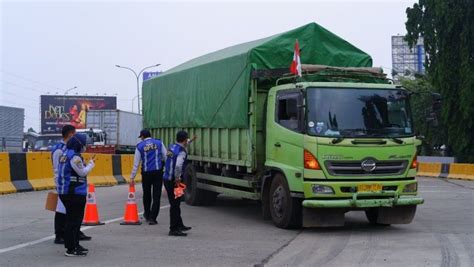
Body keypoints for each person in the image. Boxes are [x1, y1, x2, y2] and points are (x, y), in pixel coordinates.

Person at [52, 125, 91, 244]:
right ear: (70, 135)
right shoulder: (59, 149)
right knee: (61, 210)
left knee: (71, 213)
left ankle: (75, 233)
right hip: (63, 183)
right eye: (74, 135)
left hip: (71, 183)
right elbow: (57, 168)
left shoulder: (72, 149)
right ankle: (59, 234)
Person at [57, 133, 95, 257]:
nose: (85, 146)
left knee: (73, 220)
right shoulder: (75, 157)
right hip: (74, 192)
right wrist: (91, 164)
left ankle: (75, 245)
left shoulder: (64, 155)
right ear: (79, 144)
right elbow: (82, 172)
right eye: (84, 144)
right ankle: (71, 248)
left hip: (66, 191)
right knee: (74, 221)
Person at [130, 129, 168, 225]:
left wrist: (132, 177)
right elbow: (166, 157)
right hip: (158, 173)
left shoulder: (140, 146)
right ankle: (153, 218)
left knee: (146, 195)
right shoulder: (159, 143)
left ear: (142, 136)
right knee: (156, 196)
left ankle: (147, 214)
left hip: (146, 173)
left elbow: (136, 164)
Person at [163, 131, 196, 236]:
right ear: (184, 140)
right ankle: (173, 229)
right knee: (175, 205)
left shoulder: (172, 146)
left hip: (167, 178)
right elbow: (178, 166)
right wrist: (177, 178)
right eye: (187, 139)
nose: (187, 141)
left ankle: (179, 224)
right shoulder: (182, 152)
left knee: (176, 203)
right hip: (175, 181)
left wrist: (192, 140)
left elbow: (183, 144)